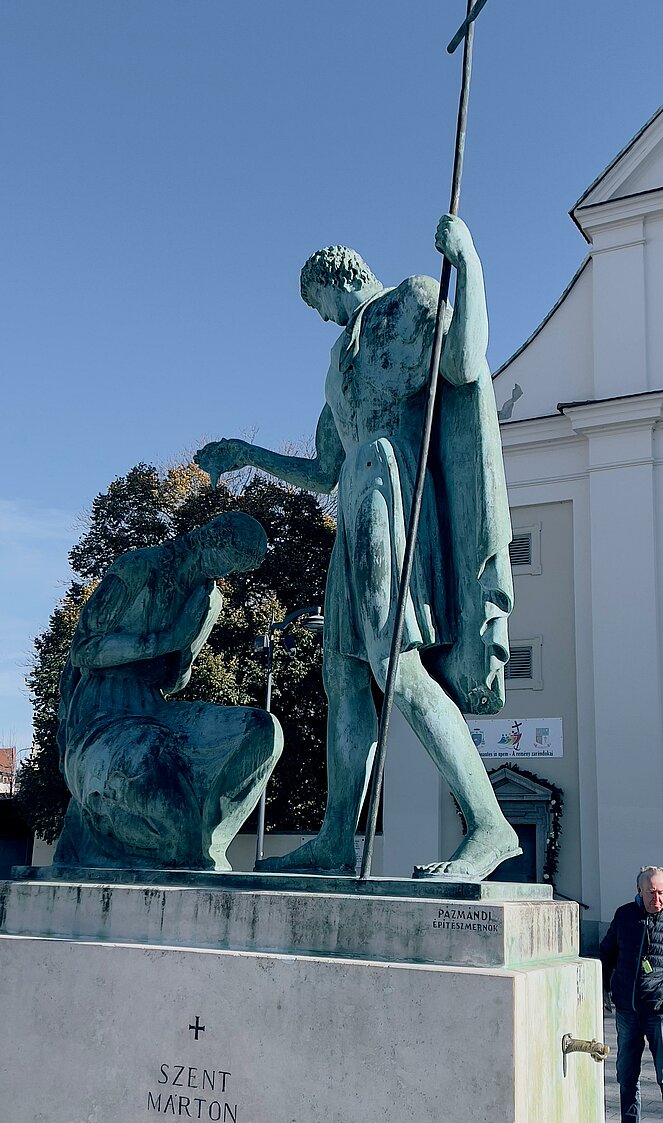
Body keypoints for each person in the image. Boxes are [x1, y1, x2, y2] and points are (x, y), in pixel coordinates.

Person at [195, 214, 518, 879]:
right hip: (356, 499)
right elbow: (322, 470)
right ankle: (337, 837)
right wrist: (244, 453)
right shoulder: (337, 362)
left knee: (395, 667)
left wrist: (470, 262)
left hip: (393, 490)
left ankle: (489, 824)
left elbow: (462, 361)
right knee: (343, 675)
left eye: (318, 304)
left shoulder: (409, 299)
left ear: (335, 277)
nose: (320, 319)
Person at [55, 512, 283, 871]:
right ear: (214, 539)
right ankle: (183, 848)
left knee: (263, 731)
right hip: (102, 713)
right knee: (157, 774)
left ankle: (207, 848)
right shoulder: (139, 568)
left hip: (155, 709)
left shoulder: (210, 600)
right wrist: (165, 640)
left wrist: (184, 650)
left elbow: (174, 682)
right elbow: (84, 650)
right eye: (232, 562)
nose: (228, 574)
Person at [601, 867, 663, 1123]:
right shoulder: (625, 915)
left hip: (660, 1011)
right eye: (651, 891)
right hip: (627, 1010)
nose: (658, 898)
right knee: (626, 1077)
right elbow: (606, 953)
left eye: (662, 892)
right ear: (639, 891)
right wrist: (602, 993)